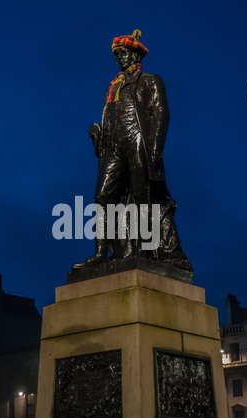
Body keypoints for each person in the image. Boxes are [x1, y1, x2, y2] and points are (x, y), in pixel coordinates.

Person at [73, 30, 192, 272]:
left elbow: (161, 114)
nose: (119, 58)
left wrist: (155, 147)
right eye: (117, 54)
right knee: (102, 197)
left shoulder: (150, 80)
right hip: (113, 146)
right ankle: (99, 254)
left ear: (135, 55)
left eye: (124, 53)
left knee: (142, 196)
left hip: (138, 141)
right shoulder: (112, 86)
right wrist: (98, 132)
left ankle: (146, 251)